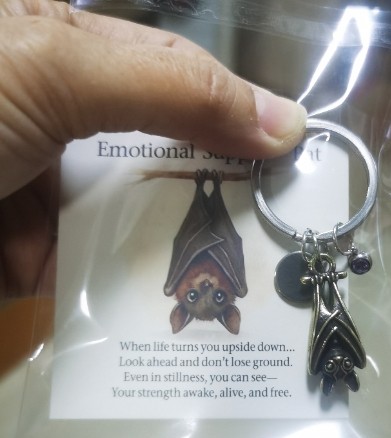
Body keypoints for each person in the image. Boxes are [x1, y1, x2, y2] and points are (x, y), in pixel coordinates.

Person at [0, 0, 307, 298]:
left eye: (193, 295)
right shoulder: (232, 278)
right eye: (216, 296)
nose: (206, 287)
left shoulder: (178, 275)